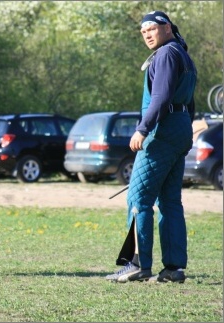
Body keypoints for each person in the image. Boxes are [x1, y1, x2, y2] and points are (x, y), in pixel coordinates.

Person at [106, 11, 197, 283]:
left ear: (166, 28)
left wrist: (142, 129)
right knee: (169, 201)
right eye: (143, 30)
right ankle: (173, 268)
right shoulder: (182, 53)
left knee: (138, 199)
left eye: (151, 28)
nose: (146, 34)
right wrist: (183, 131)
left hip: (162, 131)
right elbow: (188, 103)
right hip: (178, 129)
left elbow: (160, 97)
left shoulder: (167, 54)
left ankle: (137, 264)